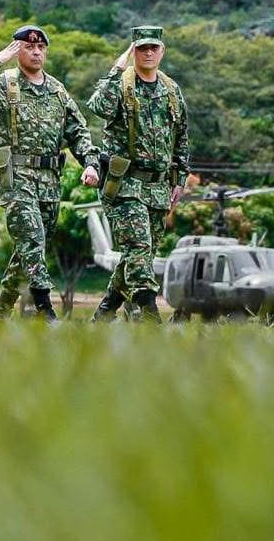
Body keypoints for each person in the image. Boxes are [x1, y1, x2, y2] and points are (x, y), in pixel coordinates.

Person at [0, 25, 100, 321]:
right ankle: (45, 309)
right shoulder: (3, 84)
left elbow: (78, 131)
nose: (36, 52)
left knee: (30, 247)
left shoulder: (56, 90)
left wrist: (89, 162)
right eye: (28, 47)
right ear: (17, 50)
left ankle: (1, 311)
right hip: (16, 177)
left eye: (40, 47)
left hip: (50, 181)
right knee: (32, 238)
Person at [86, 25, 190, 323]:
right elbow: (97, 106)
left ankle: (104, 312)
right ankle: (150, 316)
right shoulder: (121, 85)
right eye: (141, 48)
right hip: (125, 185)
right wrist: (117, 68)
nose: (148, 53)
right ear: (133, 51)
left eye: (153, 48)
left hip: (158, 187)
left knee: (139, 254)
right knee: (139, 248)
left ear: (161, 51)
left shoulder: (171, 90)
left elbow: (181, 135)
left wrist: (180, 178)